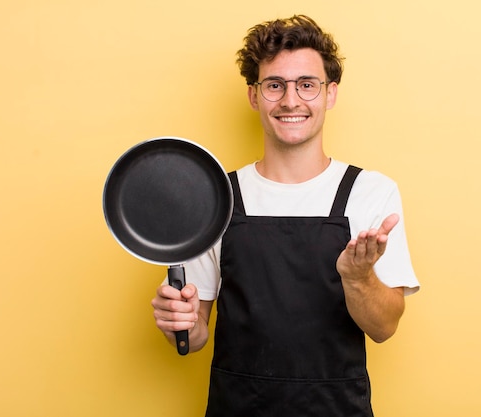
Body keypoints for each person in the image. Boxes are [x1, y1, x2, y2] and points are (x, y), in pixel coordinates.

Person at [151, 15, 419, 416]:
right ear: (254, 96)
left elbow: (384, 329)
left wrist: (358, 277)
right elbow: (197, 333)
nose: (291, 101)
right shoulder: (218, 197)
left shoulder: (370, 192)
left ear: (330, 94)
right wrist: (180, 323)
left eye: (306, 85)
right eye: (275, 85)